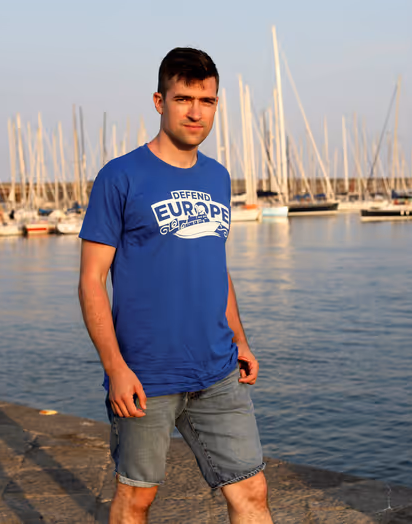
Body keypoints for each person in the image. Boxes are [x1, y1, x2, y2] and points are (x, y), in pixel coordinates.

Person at [78, 47, 272, 524]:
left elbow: (215, 266)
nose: (195, 112)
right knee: (137, 499)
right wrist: (115, 368)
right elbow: (91, 281)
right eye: (183, 98)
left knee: (252, 490)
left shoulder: (218, 177)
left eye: (206, 100)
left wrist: (240, 339)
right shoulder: (120, 177)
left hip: (218, 370)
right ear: (159, 101)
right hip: (146, 375)